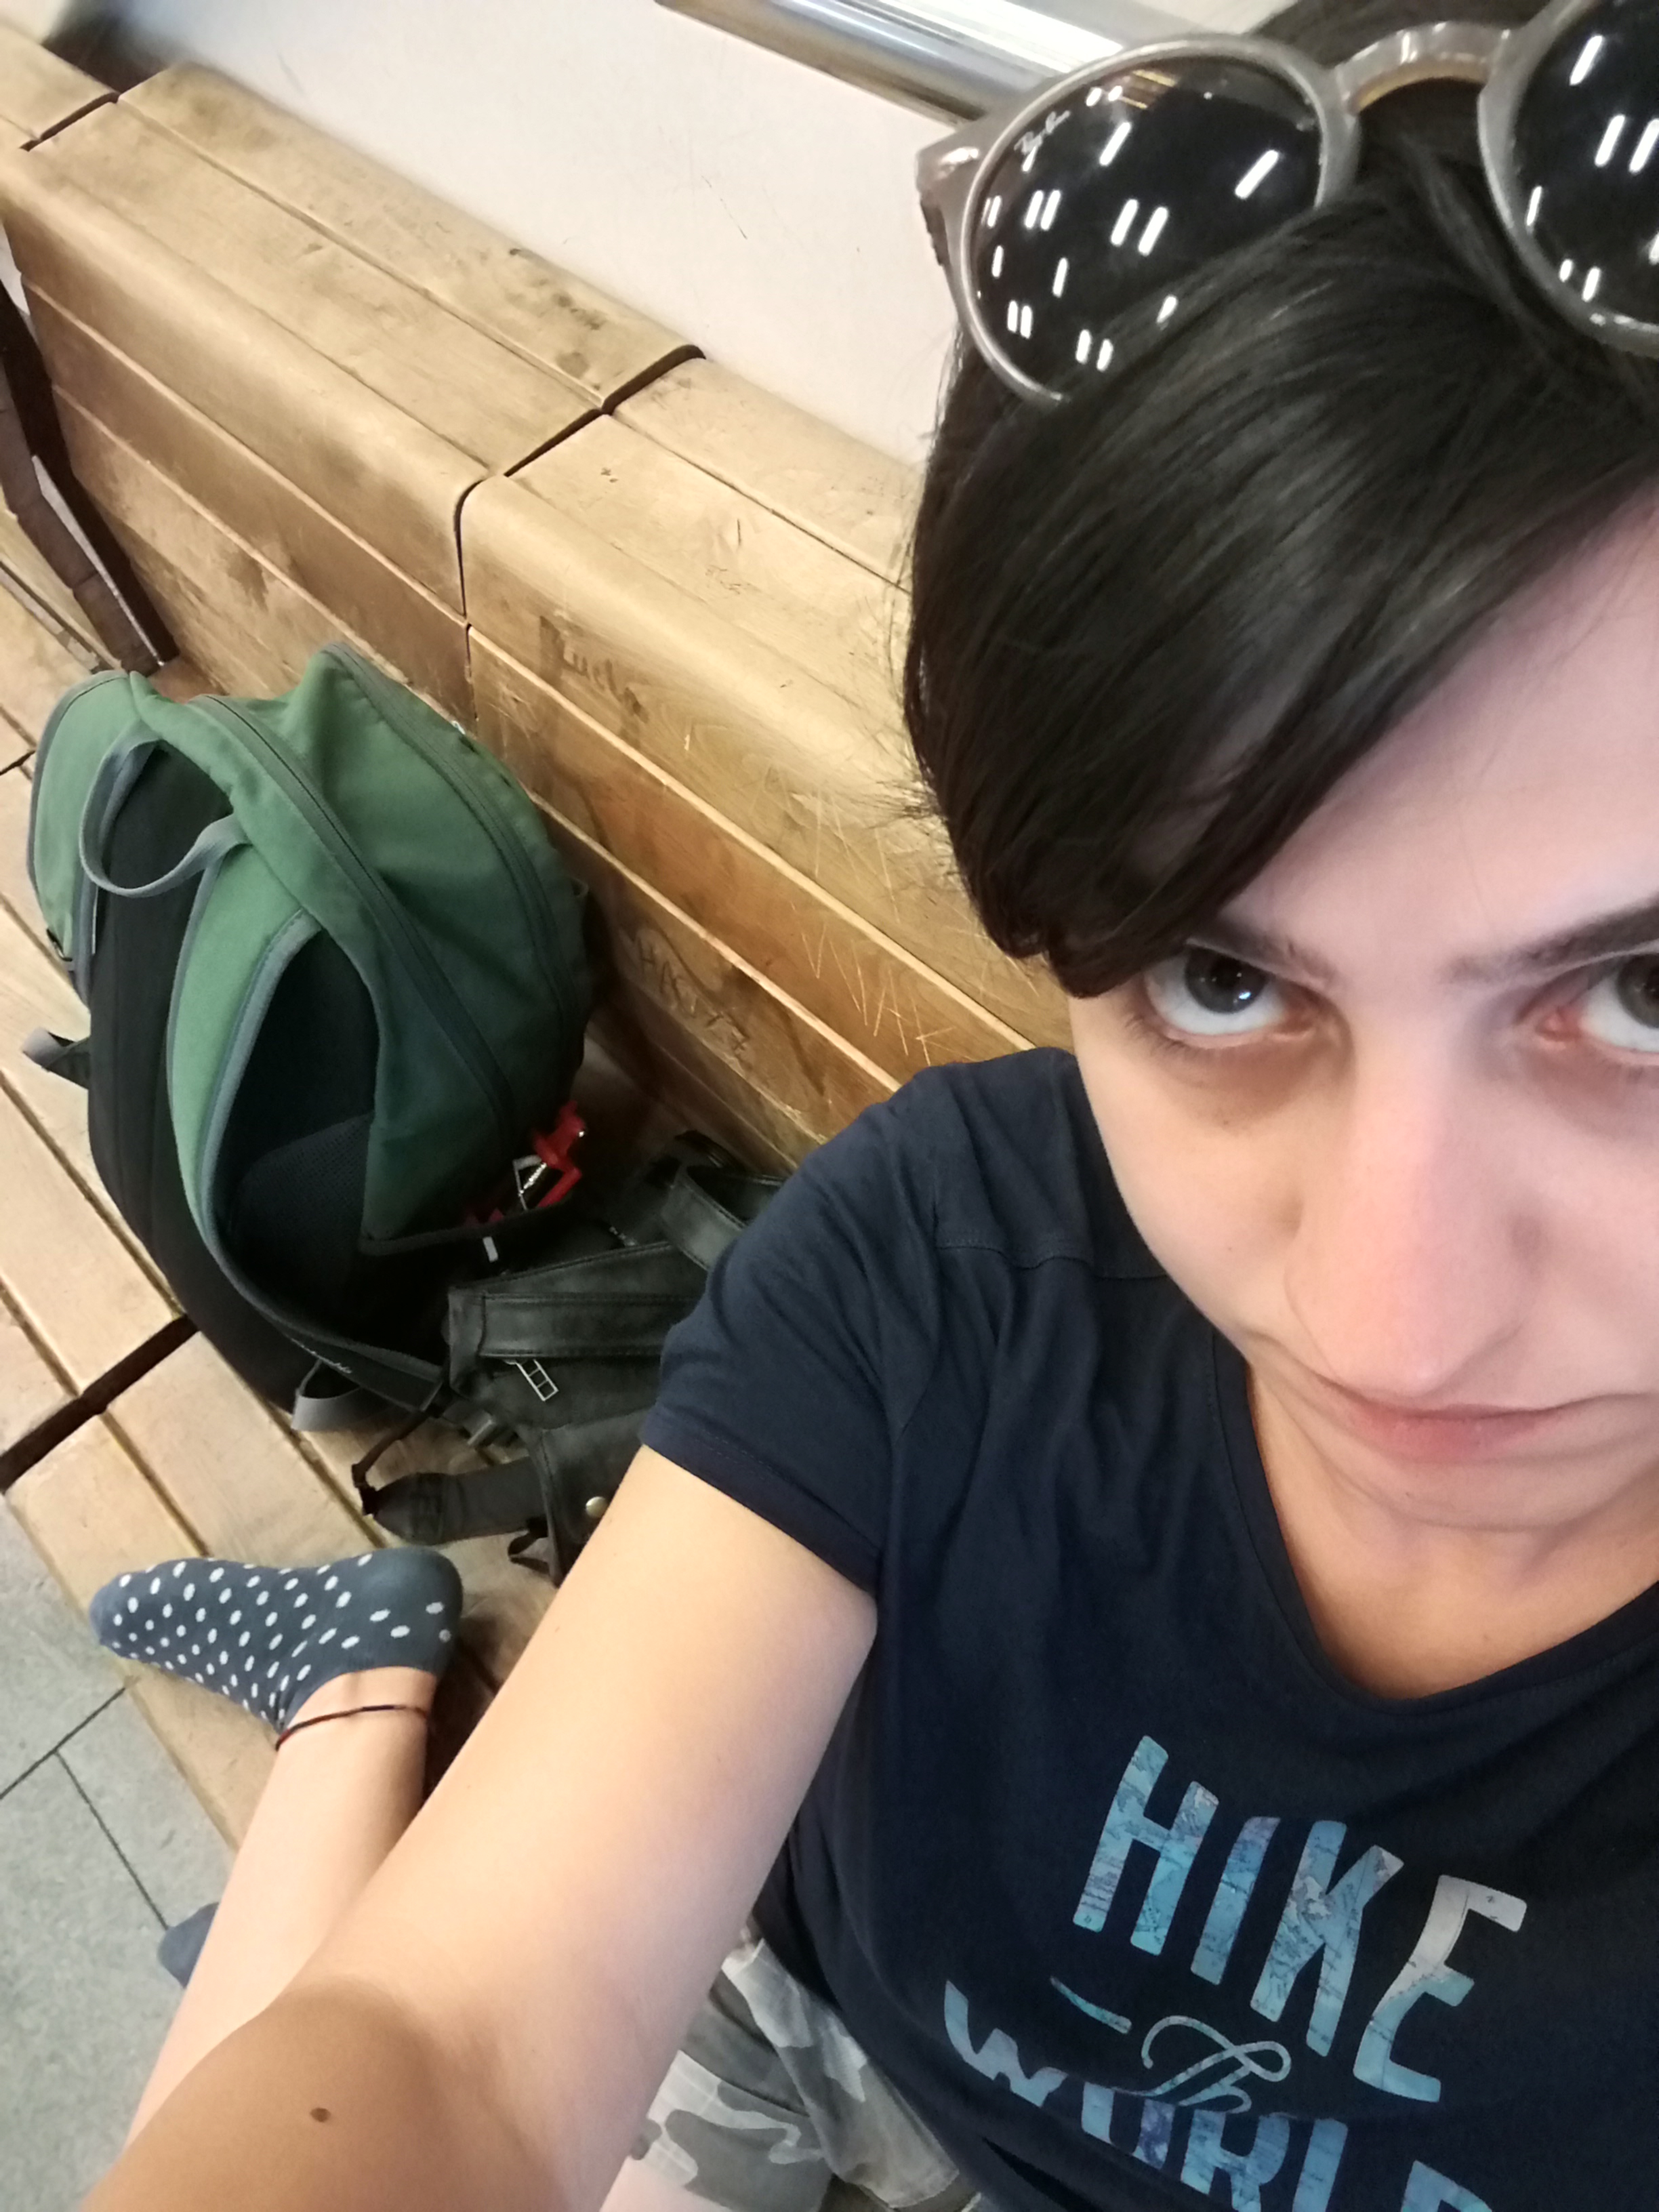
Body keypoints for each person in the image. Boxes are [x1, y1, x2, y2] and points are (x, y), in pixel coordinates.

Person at [77, 0, 1659, 2206]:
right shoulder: (956, 1266)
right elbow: (461, 2042)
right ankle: (370, 1697)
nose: (1389, 1320)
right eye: (1221, 981)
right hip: (815, 2030)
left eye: (1640, 995)